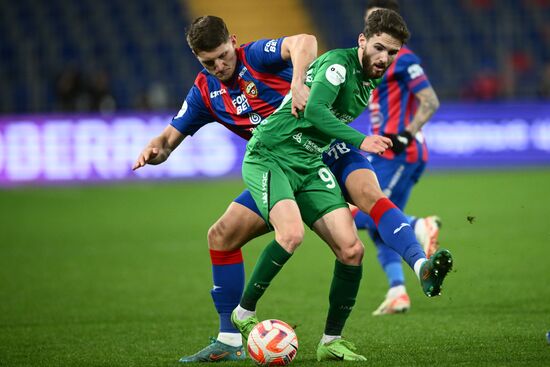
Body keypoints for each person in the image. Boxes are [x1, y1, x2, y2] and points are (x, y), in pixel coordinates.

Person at [133, 14, 451, 363]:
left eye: (224, 55)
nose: (220, 65)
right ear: (197, 59)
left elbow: (303, 42)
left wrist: (298, 83)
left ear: (233, 42)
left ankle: (417, 265)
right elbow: (166, 141)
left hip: (326, 148)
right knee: (222, 235)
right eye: (209, 62)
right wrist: (155, 152)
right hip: (279, 160)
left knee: (368, 201)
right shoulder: (204, 94)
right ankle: (229, 338)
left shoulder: (253, 56)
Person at [230, 9, 453, 361]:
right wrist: (360, 140)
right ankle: (242, 313)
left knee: (352, 250)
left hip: (310, 160)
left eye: (392, 53)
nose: (384, 58)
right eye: (379, 48)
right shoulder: (337, 66)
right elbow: (315, 111)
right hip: (272, 155)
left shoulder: (372, 76)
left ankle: (332, 339)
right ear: (362, 41)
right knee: (290, 235)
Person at [352, 0, 443, 316]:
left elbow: (430, 100)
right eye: (370, 21)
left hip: (399, 152)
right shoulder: (370, 61)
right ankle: (398, 291)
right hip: (386, 150)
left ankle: (420, 225)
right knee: (382, 226)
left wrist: (406, 134)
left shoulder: (403, 59)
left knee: (364, 213)